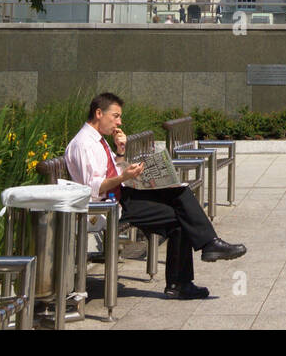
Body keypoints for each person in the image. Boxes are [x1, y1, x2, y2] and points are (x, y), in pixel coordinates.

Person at [65, 92, 246, 299]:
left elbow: (110, 172)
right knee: (182, 214)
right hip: (104, 207)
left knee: (179, 194)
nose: (119, 122)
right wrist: (125, 175)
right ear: (99, 113)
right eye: (115, 116)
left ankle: (194, 265)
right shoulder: (84, 144)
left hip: (119, 196)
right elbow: (93, 187)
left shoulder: (99, 140)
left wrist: (121, 152)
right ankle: (193, 266)